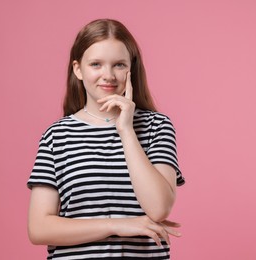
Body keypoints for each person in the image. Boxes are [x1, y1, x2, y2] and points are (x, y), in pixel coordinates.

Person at [27, 18, 185, 259]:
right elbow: (39, 228)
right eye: (96, 64)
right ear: (78, 69)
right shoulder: (56, 135)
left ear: (131, 68)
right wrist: (117, 225)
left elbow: (159, 208)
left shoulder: (156, 126)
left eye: (119, 65)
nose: (108, 75)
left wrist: (127, 130)